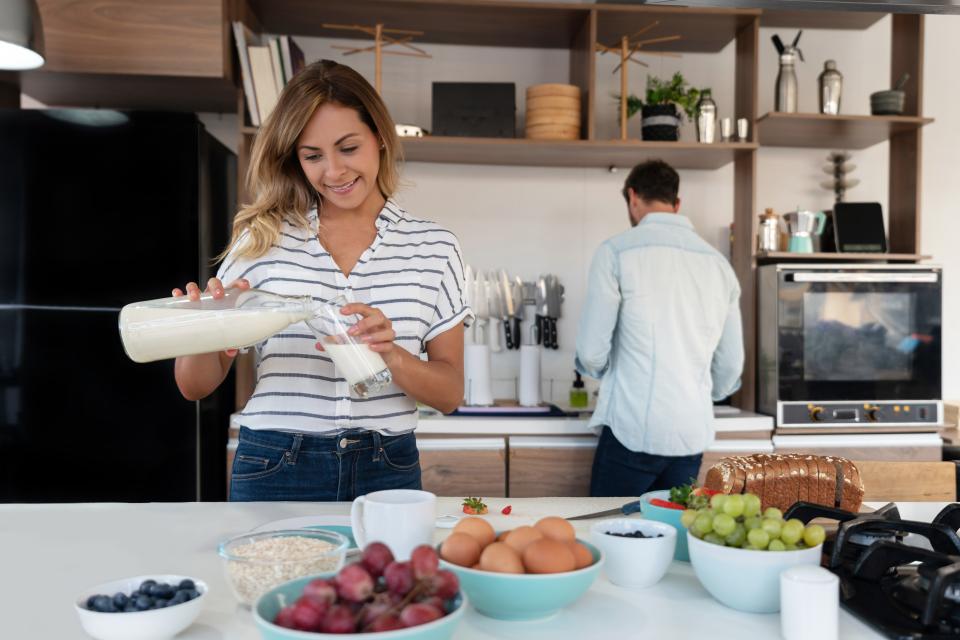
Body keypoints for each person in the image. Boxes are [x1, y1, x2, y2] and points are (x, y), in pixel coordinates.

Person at [172, 60, 471, 501]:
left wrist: (391, 355)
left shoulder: (434, 248)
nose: (333, 172)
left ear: (381, 139)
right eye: (312, 156)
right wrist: (201, 328)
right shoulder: (263, 239)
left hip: (386, 466)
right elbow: (194, 385)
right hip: (275, 463)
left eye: (348, 148)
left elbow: (449, 395)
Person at [576, 159, 743, 497]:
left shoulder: (616, 253)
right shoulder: (718, 265)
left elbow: (591, 354)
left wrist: (612, 372)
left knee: (613, 534)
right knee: (673, 540)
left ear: (633, 197)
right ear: (676, 203)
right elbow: (730, 367)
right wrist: (695, 391)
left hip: (632, 430)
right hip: (689, 435)